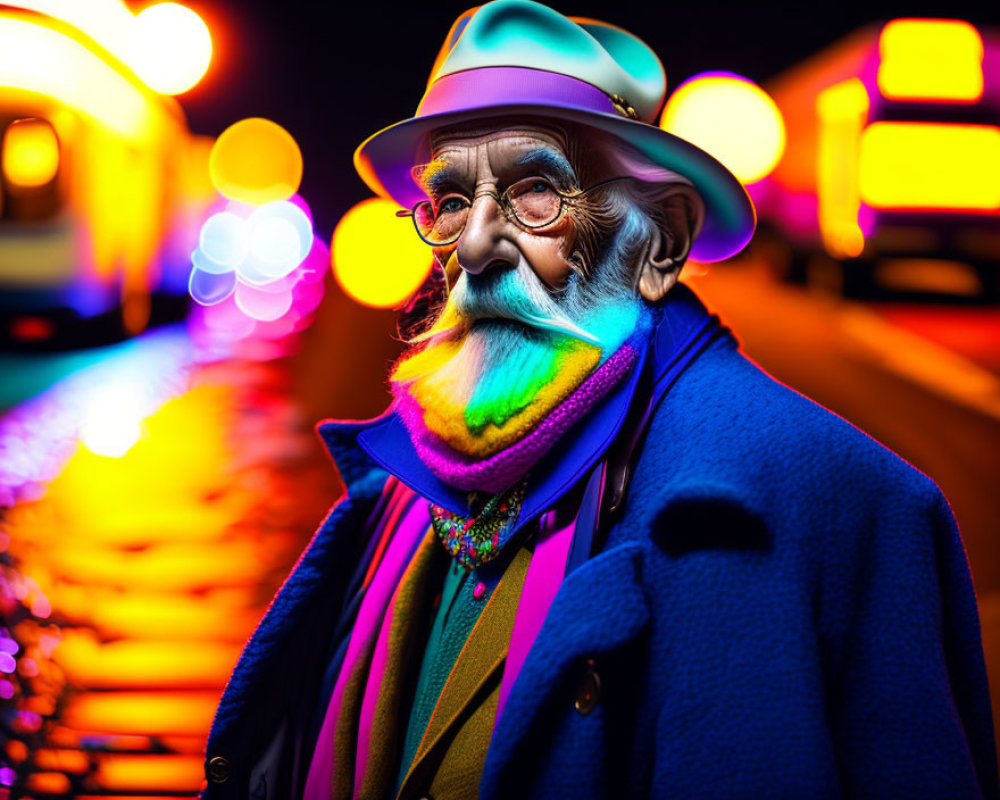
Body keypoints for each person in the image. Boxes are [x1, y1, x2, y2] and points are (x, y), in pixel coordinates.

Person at [200, 2, 999, 798]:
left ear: (660, 243)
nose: (474, 246)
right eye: (448, 201)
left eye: (535, 193)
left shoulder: (853, 508)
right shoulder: (400, 491)